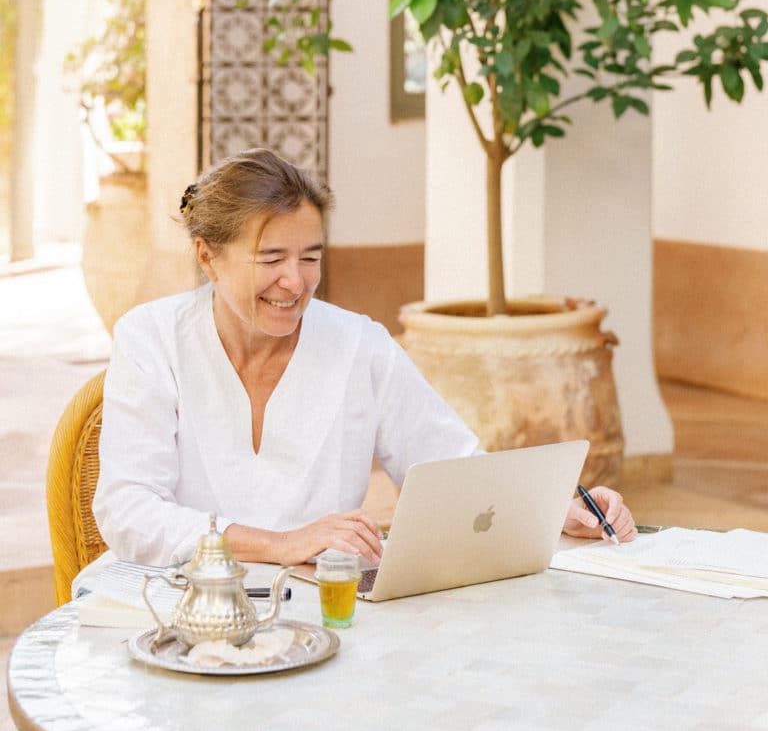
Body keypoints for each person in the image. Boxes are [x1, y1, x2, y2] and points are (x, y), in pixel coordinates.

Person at [93, 148, 636, 569]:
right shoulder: (151, 339)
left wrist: (554, 509)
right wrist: (281, 544)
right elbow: (129, 511)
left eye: (310, 257)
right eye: (272, 258)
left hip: (320, 615)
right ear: (207, 258)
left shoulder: (359, 345)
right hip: (181, 610)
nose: (296, 281)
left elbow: (448, 467)